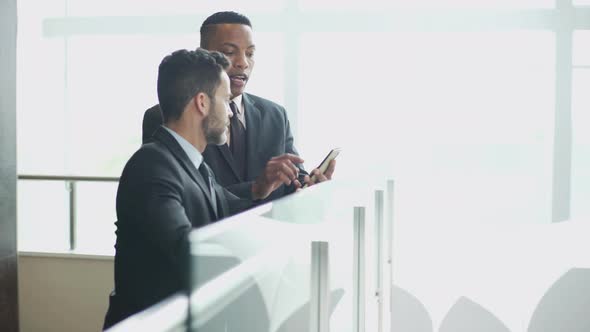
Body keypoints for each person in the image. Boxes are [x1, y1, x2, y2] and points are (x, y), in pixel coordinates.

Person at [103, 48, 288, 329]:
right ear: (202, 103)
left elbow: (225, 205)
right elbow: (186, 249)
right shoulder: (152, 166)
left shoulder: (192, 163)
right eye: (225, 100)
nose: (229, 111)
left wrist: (276, 191)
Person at [143, 11, 336, 202]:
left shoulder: (275, 115)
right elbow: (179, 196)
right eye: (229, 52)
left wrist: (309, 188)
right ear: (204, 56)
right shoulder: (169, 115)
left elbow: (291, 184)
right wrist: (255, 188)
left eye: (250, 54)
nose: (243, 63)